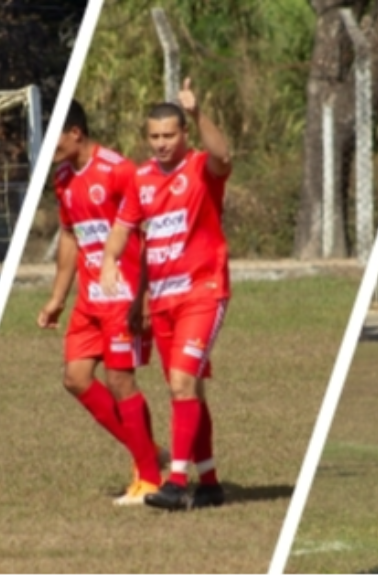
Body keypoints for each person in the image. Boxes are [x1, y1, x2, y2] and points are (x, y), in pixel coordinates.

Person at [100, 77, 231, 511]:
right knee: (189, 389)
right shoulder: (139, 179)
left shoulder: (200, 168)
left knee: (181, 383)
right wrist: (110, 261)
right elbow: (123, 229)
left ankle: (175, 483)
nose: (161, 144)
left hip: (203, 292)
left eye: (169, 135)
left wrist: (196, 110)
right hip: (162, 301)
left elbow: (223, 154)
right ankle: (209, 482)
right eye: (154, 136)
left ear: (184, 135)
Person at [37, 100, 165, 505]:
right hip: (89, 300)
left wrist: (146, 291)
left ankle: (149, 480)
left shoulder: (118, 170)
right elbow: (71, 238)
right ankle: (149, 454)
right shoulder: (62, 177)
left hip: (123, 294)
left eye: (55, 135)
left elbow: (151, 231)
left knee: (120, 381)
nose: (49, 145)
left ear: (76, 132)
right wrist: (58, 296)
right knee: (75, 378)